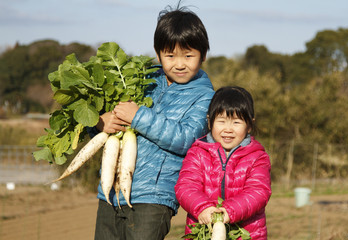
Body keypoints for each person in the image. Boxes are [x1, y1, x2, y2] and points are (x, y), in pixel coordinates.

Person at [90, 2, 214, 240]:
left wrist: (138, 116)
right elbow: (111, 120)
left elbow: (186, 139)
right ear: (158, 54)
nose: (179, 64)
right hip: (110, 189)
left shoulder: (205, 96)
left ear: (203, 55)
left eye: (188, 56)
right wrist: (98, 123)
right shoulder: (142, 80)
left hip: (154, 198)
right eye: (170, 56)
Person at [174, 86, 272, 240]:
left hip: (247, 233)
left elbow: (258, 192)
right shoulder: (197, 153)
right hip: (203, 231)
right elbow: (185, 187)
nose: (228, 129)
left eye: (236, 122)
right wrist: (203, 209)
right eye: (221, 121)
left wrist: (229, 211)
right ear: (209, 121)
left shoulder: (258, 157)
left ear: (250, 125)